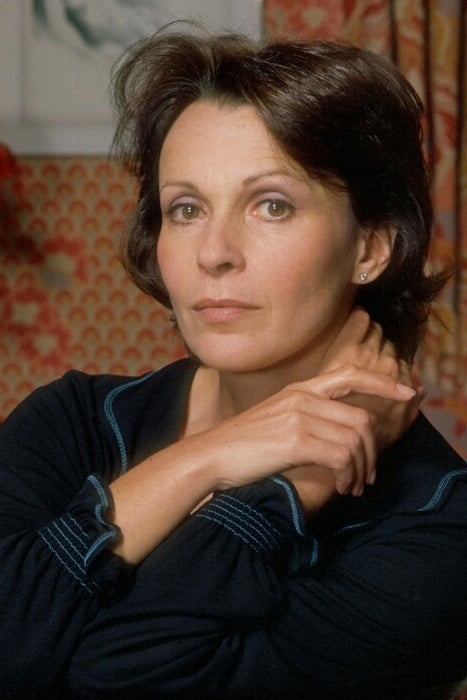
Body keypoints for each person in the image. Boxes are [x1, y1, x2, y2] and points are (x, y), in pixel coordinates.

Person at [1, 27, 466, 700]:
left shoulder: (439, 528)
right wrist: (212, 456)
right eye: (186, 208)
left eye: (271, 205)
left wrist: (291, 487)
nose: (214, 253)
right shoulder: (73, 420)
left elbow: (131, 680)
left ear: (369, 247)